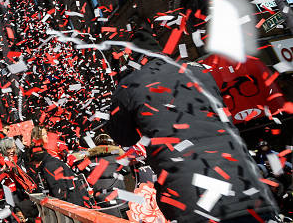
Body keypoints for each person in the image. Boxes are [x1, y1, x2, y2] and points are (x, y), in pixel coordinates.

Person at [104, 29, 280, 222]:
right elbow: (221, 115)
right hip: (247, 186)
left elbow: (123, 137)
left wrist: (122, 89)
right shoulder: (197, 71)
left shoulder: (130, 84)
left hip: (193, 199)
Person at [26, 125, 87, 206]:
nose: (47, 137)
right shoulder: (45, 160)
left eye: (46, 134)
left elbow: (61, 190)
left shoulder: (50, 164)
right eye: (43, 135)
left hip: (71, 202)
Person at [0, 137, 39, 223]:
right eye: (9, 148)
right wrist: (3, 173)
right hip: (7, 194)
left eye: (14, 147)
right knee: (14, 215)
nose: (12, 150)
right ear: (3, 149)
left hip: (23, 191)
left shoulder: (18, 157)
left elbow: (25, 171)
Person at [82, 134, 130, 217]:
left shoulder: (89, 159)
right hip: (118, 196)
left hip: (100, 198)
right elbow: (127, 170)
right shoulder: (118, 156)